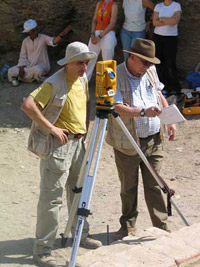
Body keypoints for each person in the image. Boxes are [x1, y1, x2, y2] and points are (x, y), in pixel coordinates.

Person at [21, 42, 102, 267]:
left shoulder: (83, 79)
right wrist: (51, 128)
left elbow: (85, 104)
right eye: (80, 62)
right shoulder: (54, 82)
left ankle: (80, 235)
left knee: (79, 192)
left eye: (86, 62)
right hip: (59, 145)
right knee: (52, 198)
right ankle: (43, 251)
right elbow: (28, 105)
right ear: (68, 63)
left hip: (78, 143)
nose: (84, 67)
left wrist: (84, 129)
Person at [106, 38, 176, 240]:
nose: (148, 67)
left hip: (153, 139)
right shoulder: (115, 74)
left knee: (155, 184)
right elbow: (116, 107)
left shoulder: (150, 71)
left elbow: (159, 94)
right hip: (128, 142)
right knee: (128, 186)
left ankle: (160, 228)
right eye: (145, 62)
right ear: (133, 57)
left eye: (150, 63)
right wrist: (144, 112)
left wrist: (169, 118)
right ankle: (127, 226)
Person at [8, 19, 71, 85]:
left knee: (38, 70)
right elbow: (22, 56)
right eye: (33, 31)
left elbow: (53, 41)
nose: (35, 32)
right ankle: (35, 77)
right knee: (11, 70)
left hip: (41, 66)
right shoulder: (25, 41)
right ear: (28, 32)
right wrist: (21, 68)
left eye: (35, 30)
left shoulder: (43, 37)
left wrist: (63, 33)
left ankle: (27, 77)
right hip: (29, 66)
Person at [152, 0, 182, 95]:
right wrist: (168, 20)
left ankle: (174, 88)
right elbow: (154, 22)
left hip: (171, 38)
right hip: (158, 37)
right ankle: (161, 87)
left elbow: (175, 21)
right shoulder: (158, 6)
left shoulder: (176, 6)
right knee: (158, 62)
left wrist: (161, 19)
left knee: (170, 63)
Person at [86, 0, 118, 81]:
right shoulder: (99, 4)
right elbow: (94, 20)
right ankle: (84, 81)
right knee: (90, 58)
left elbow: (112, 23)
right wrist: (92, 34)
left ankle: (108, 84)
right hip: (96, 33)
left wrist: (100, 36)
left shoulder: (114, 5)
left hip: (108, 34)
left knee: (107, 61)